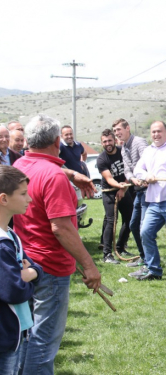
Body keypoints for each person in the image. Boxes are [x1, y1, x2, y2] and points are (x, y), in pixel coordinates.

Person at [13, 114, 101, 374]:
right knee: (43, 341)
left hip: (24, 263)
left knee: (26, 336)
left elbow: (39, 167)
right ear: (56, 142)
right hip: (50, 267)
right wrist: (89, 265)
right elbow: (61, 228)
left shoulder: (18, 167)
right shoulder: (53, 176)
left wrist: (72, 174)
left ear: (28, 141)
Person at [0, 165, 43, 374]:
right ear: (4, 199)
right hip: (4, 336)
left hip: (16, 330)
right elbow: (13, 291)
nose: (29, 199)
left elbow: (34, 268)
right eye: (23, 194)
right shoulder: (1, 244)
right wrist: (26, 279)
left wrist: (30, 273)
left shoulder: (10, 235)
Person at [133, 121, 166, 282]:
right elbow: (138, 170)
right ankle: (154, 269)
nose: (156, 135)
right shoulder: (148, 150)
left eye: (159, 131)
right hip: (153, 201)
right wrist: (146, 176)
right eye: (153, 132)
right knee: (145, 233)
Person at [112, 118, 149, 268]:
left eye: (119, 130)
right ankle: (144, 256)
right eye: (115, 131)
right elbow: (127, 169)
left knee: (145, 228)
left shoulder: (139, 142)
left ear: (127, 128)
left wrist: (141, 177)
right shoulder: (123, 148)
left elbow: (148, 161)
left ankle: (150, 262)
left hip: (148, 190)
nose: (117, 133)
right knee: (134, 225)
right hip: (138, 190)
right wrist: (132, 178)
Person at [97, 129, 135, 264]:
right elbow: (109, 178)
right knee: (111, 220)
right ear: (101, 143)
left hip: (124, 188)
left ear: (114, 140)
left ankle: (121, 247)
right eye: (104, 141)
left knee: (130, 218)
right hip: (109, 191)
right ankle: (107, 254)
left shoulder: (122, 152)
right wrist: (119, 187)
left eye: (109, 140)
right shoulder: (102, 159)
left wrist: (123, 188)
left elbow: (129, 171)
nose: (108, 143)